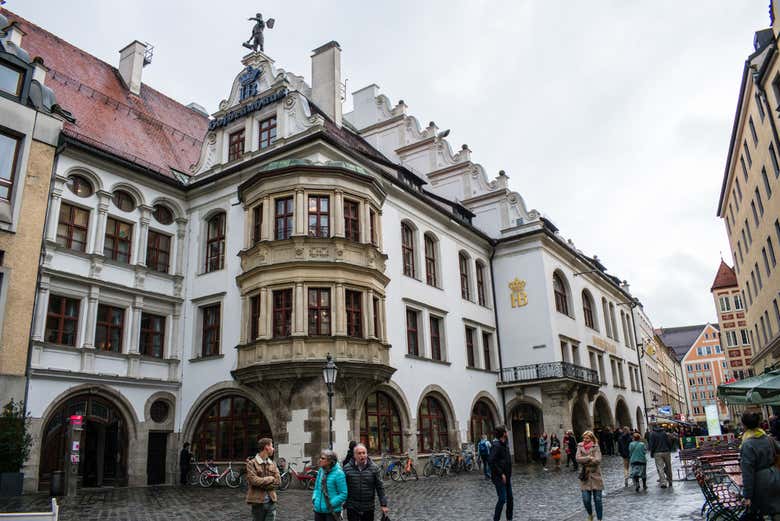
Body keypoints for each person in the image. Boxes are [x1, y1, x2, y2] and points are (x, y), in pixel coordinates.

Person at [739, 411, 780, 518]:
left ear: (744, 426)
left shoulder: (747, 444)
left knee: (762, 513)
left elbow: (747, 472)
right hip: (776, 477)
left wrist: (747, 496)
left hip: (760, 482)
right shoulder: (768, 438)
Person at [343, 443, 388, 521]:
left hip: (368, 507)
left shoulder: (374, 468)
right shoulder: (347, 468)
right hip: (352, 506)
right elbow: (342, 487)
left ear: (367, 454)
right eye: (359, 453)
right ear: (354, 455)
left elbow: (380, 487)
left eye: (364, 453)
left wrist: (383, 504)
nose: (362, 455)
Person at [245, 437, 281, 521]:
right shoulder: (252, 463)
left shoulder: (273, 463)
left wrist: (261, 483)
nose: (273, 449)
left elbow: (278, 482)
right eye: (272, 446)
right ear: (266, 447)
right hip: (258, 503)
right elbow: (253, 481)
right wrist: (270, 478)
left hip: (271, 502)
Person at [312, 449, 348, 521]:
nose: (320, 460)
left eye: (323, 458)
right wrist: (314, 498)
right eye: (320, 458)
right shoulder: (321, 471)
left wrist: (330, 504)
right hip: (318, 510)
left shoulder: (339, 474)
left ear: (330, 461)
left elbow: (343, 494)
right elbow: (316, 488)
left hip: (332, 511)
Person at [576, 430, 603, 521]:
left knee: (598, 500)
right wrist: (589, 458)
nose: (585, 439)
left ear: (591, 438)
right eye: (584, 438)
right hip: (585, 477)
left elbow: (598, 460)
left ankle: (599, 519)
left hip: (596, 476)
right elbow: (577, 459)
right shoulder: (580, 446)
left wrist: (585, 461)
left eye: (587, 438)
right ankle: (590, 514)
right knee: (586, 499)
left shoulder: (596, 446)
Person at [488, 424, 513, 521]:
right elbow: (491, 461)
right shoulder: (496, 446)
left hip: (507, 476)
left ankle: (509, 518)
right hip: (499, 478)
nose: (507, 433)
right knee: (502, 499)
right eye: (506, 431)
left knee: (510, 499)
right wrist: (501, 473)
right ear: (503, 434)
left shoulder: (504, 444)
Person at [648, 423, 674, 488]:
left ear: (653, 428)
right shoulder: (664, 433)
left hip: (657, 453)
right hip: (666, 451)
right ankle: (670, 481)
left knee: (660, 468)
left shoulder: (652, 434)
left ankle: (663, 482)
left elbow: (652, 445)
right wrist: (669, 449)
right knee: (668, 466)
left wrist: (652, 453)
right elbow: (668, 442)